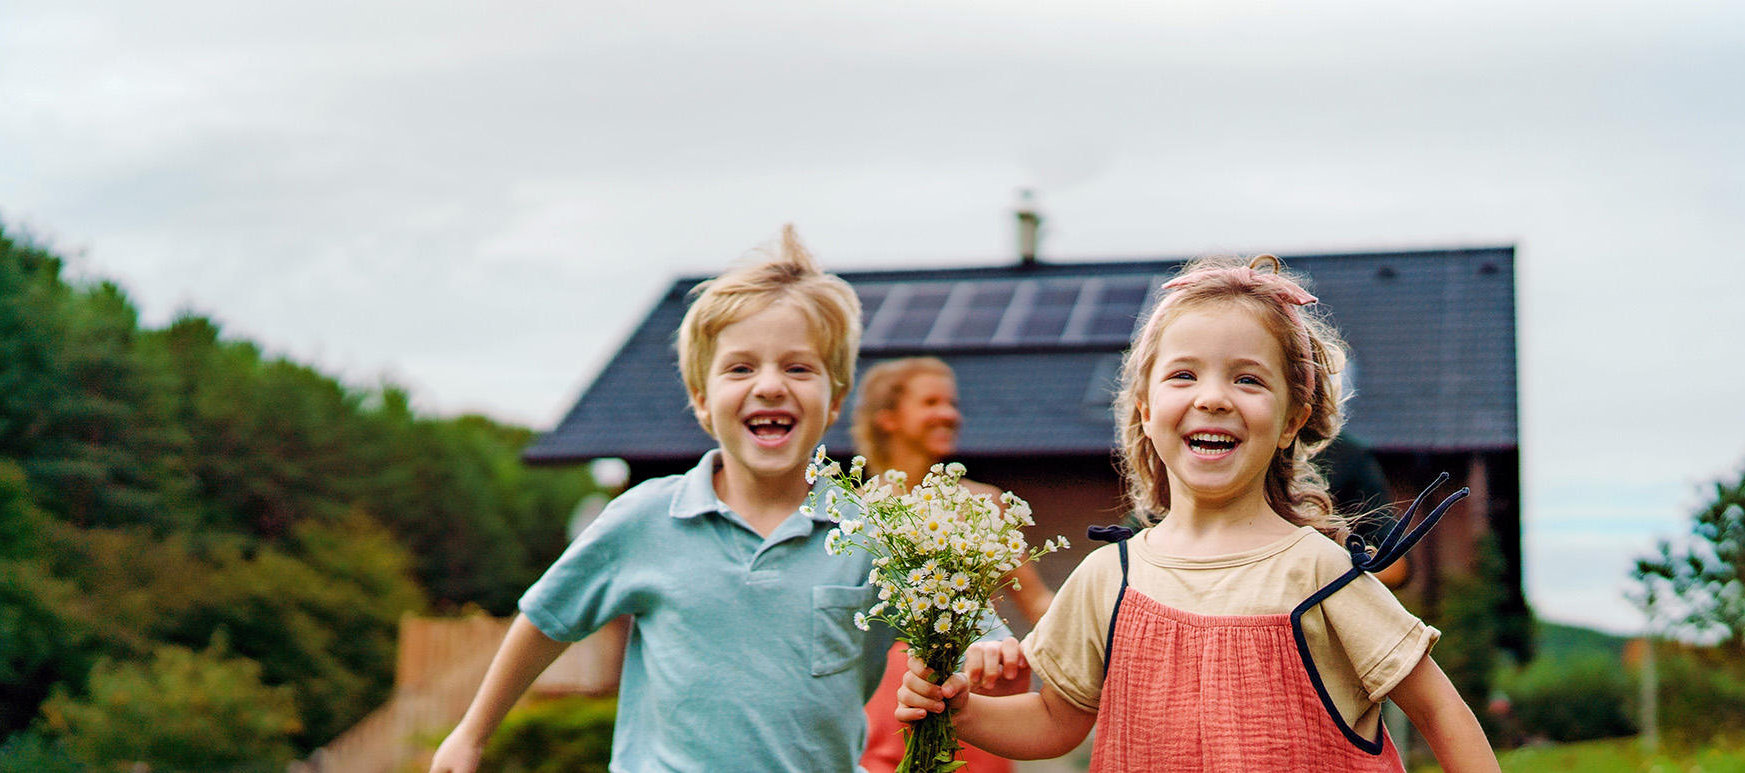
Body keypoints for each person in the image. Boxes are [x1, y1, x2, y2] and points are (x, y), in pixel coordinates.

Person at [429, 227, 1011, 772]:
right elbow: (546, 620)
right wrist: (471, 733)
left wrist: (992, 646)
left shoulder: (877, 533)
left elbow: (969, 627)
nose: (768, 384)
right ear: (703, 400)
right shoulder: (645, 519)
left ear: (834, 401)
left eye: (797, 367)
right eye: (740, 367)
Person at [894, 256, 1501, 772]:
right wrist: (963, 712)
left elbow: (1439, 710)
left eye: (1247, 379)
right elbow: (1056, 720)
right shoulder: (1109, 578)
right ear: (1145, 409)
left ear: (1293, 418)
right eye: (1184, 374)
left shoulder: (1322, 572)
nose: (1212, 397)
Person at [851, 357, 1055, 773]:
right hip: (885, 694)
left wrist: (1098, 651)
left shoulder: (985, 503)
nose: (949, 414)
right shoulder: (855, 510)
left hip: (976, 687)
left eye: (952, 403)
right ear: (887, 418)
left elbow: (1037, 601)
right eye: (931, 402)